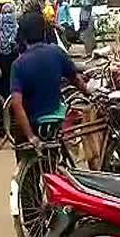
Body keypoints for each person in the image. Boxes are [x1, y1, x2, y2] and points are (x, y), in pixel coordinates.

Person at [11, 13, 87, 148]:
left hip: (33, 123)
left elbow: (17, 104)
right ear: (44, 32)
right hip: (55, 118)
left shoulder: (18, 64)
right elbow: (76, 80)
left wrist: (30, 136)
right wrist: (89, 93)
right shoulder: (56, 52)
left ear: (22, 36)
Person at [0, 2, 19, 97]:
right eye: (5, 13)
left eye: (10, 12)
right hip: (2, 67)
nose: (7, 15)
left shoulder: (18, 29)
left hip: (15, 66)